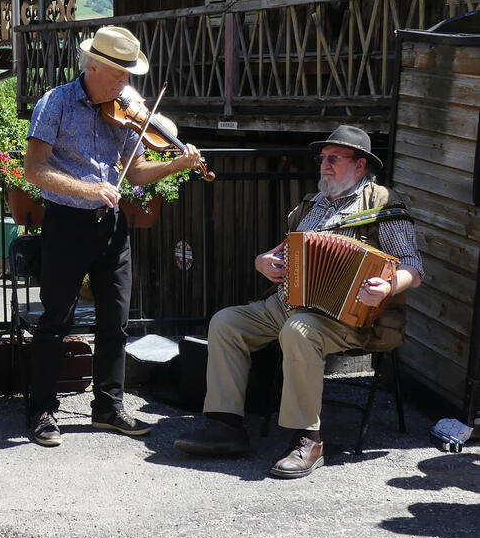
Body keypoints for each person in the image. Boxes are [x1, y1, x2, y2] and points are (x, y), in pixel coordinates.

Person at [174, 125, 423, 478]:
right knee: (226, 322)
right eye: (323, 158)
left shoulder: (385, 206)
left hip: (348, 316)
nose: (325, 164)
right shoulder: (312, 203)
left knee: (299, 330)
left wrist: (386, 285)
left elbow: (414, 266)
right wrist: (263, 262)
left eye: (334, 158)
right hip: (286, 303)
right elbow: (284, 251)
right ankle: (225, 426)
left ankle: (308, 439)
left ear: (361, 165)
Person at [23, 25, 203, 447]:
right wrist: (88, 188)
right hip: (66, 221)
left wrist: (178, 164)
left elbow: (136, 172)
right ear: (95, 66)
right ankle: (42, 410)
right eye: (120, 75)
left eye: (128, 76)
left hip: (111, 226)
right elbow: (35, 170)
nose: (126, 86)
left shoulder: (125, 110)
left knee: (115, 322)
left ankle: (107, 407)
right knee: (55, 321)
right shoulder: (56, 103)